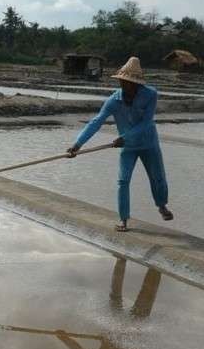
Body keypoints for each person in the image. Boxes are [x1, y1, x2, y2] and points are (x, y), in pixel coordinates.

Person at [66, 56, 173, 232]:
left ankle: (161, 205)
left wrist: (126, 136)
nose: (125, 86)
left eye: (129, 83)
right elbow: (96, 121)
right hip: (128, 147)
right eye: (122, 82)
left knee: (157, 177)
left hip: (148, 144)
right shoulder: (113, 101)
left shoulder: (150, 95)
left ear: (137, 84)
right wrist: (77, 145)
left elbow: (147, 122)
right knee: (123, 181)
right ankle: (123, 219)